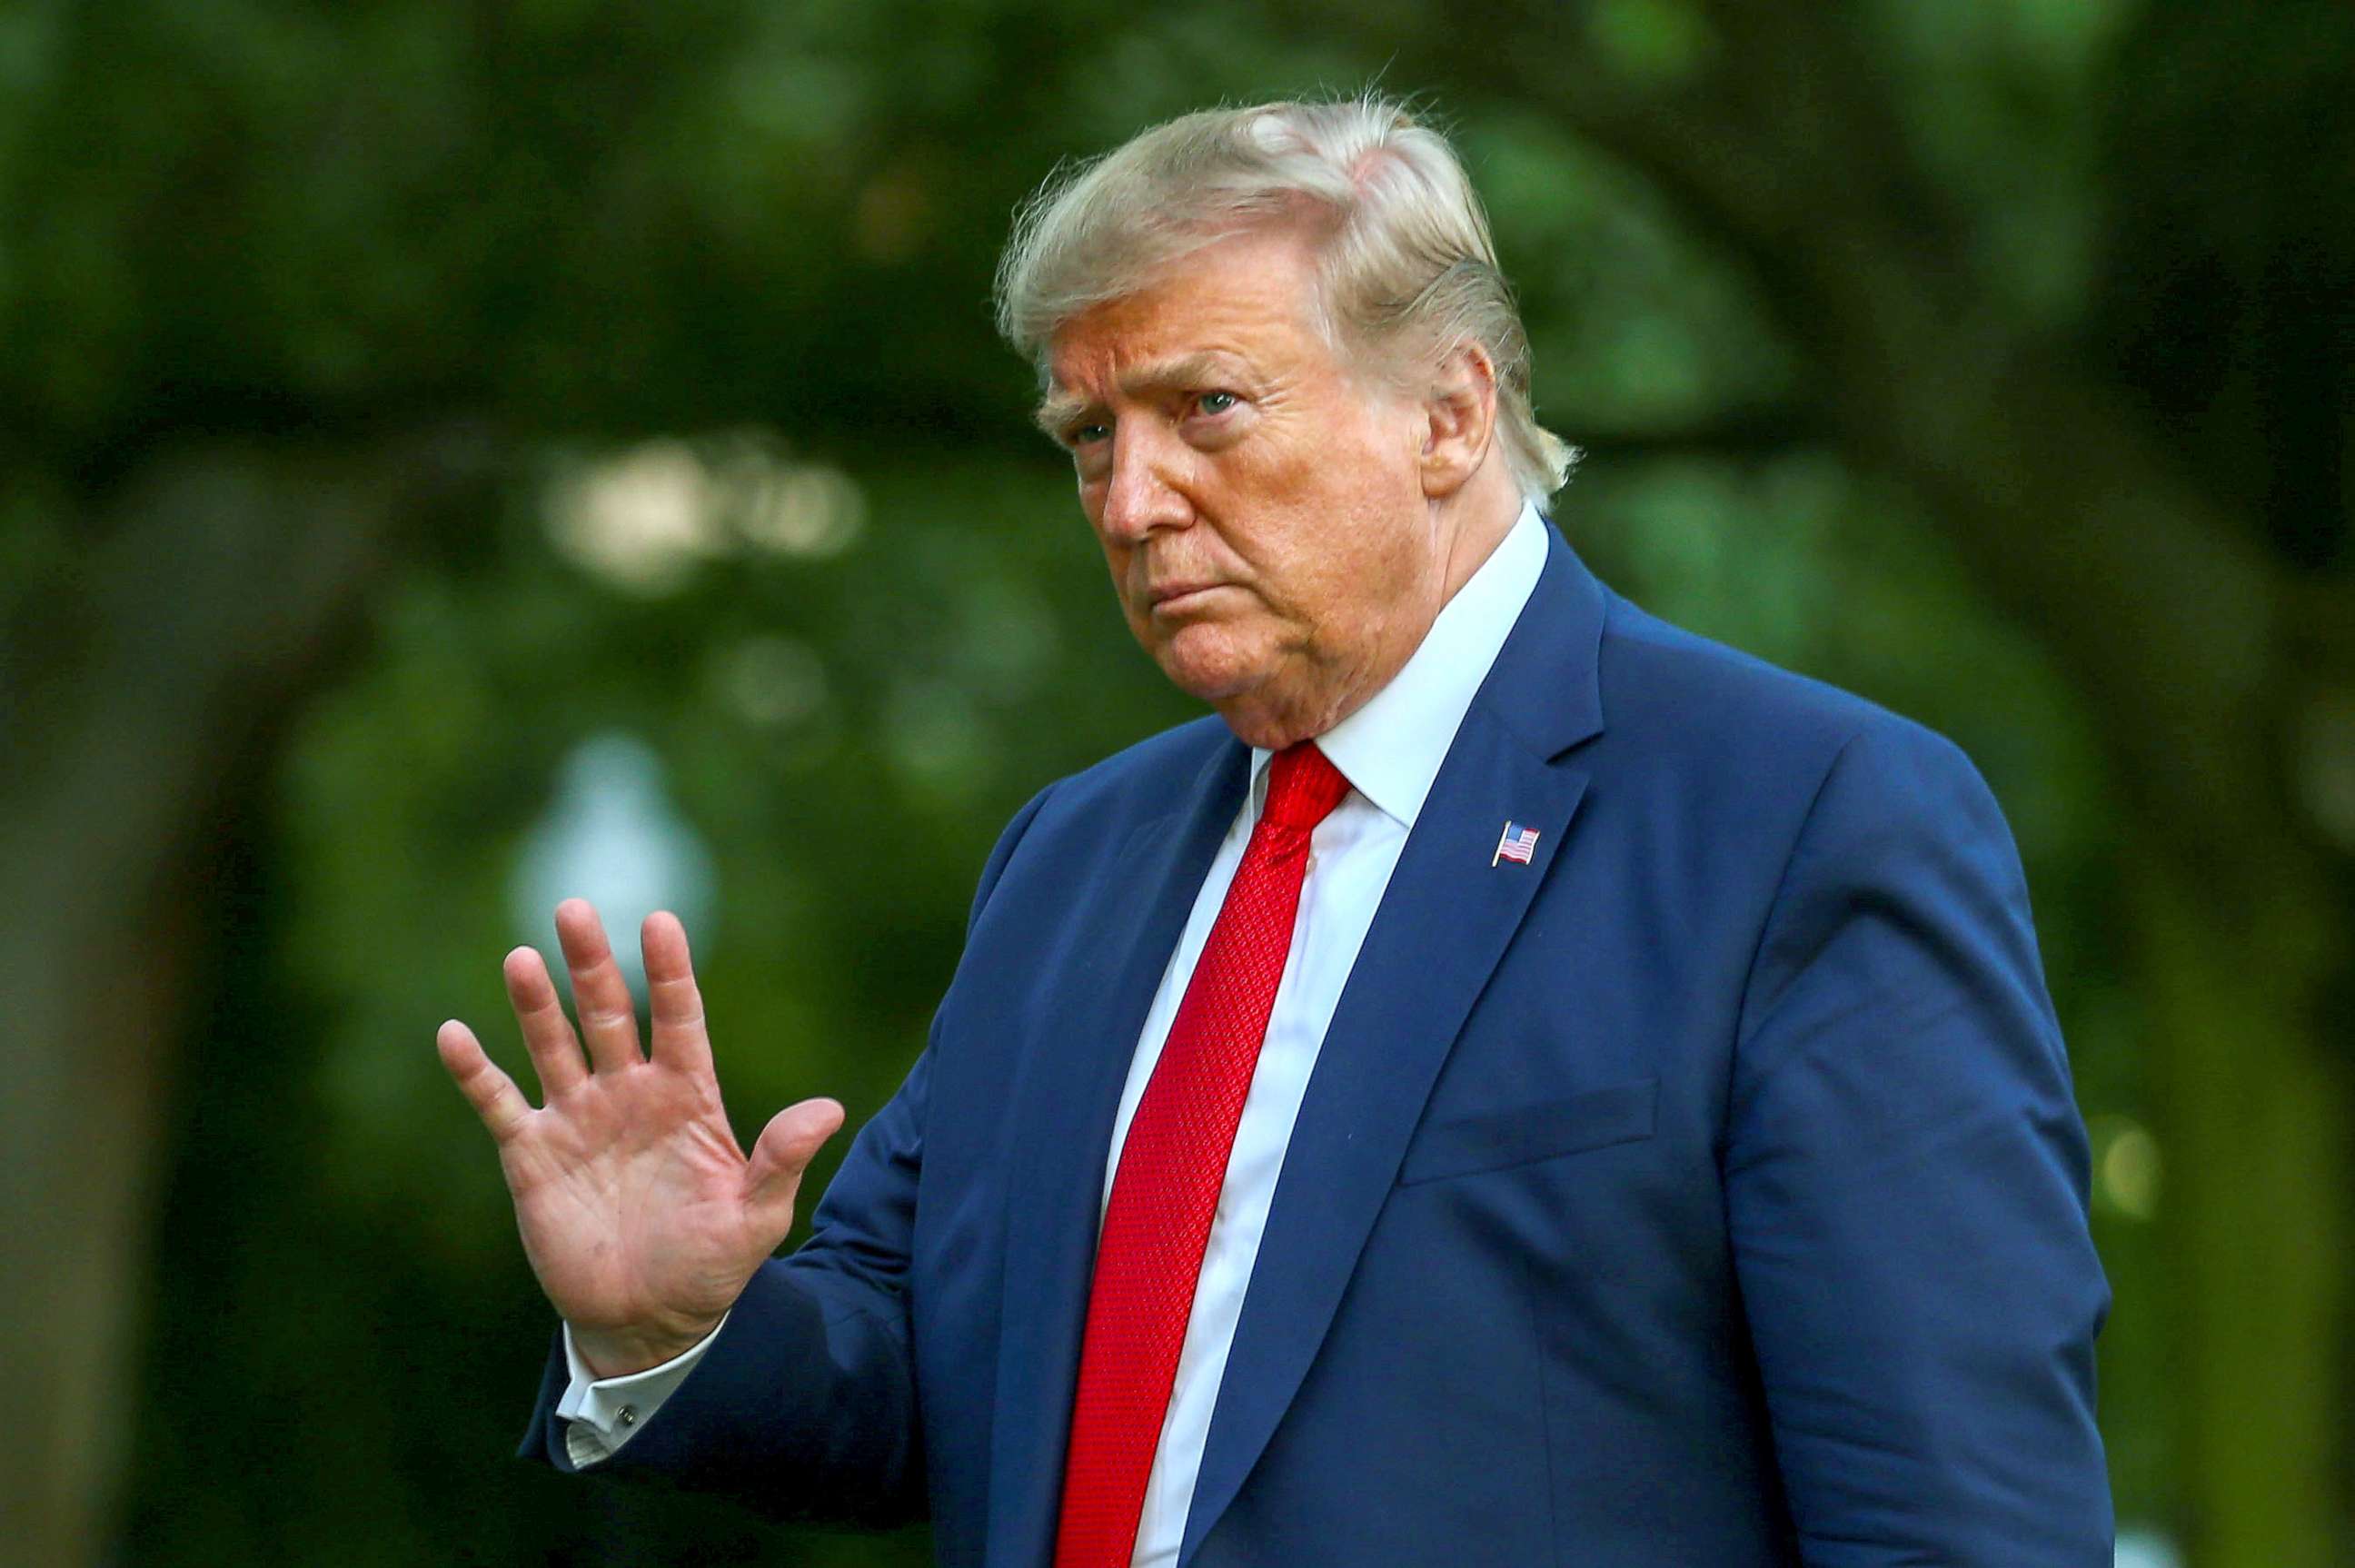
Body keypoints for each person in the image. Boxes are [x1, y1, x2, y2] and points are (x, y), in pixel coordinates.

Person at [438, 95, 2113, 1566]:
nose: (1131, 498)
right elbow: (912, 1375)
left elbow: (1956, 1517)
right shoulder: (1074, 861)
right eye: (1092, 435)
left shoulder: (1795, 823)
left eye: (1206, 410)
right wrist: (674, 1324)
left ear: (1451, 415)